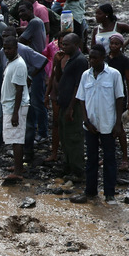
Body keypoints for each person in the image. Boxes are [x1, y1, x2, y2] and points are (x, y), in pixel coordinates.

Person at [75, 44, 125, 201]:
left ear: (103, 58)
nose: (91, 61)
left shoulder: (113, 74)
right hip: (90, 124)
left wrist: (118, 123)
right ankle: (90, 191)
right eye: (90, 57)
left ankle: (109, 193)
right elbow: (81, 99)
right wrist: (86, 121)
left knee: (109, 158)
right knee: (91, 158)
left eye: (95, 58)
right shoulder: (86, 75)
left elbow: (119, 98)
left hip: (108, 123)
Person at [57, 33, 88, 179]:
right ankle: (68, 165)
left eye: (66, 44)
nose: (63, 47)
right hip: (64, 103)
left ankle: (77, 170)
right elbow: (59, 78)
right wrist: (57, 62)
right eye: (63, 44)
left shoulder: (80, 61)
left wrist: (71, 107)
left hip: (73, 106)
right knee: (64, 135)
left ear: (76, 45)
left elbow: (78, 85)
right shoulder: (68, 59)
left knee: (74, 137)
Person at [0, 36, 29, 177]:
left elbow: (19, 90)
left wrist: (15, 113)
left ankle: (18, 171)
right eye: (5, 48)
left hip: (15, 107)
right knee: (14, 137)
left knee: (16, 139)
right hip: (10, 105)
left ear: (16, 48)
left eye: (9, 48)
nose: (6, 51)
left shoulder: (19, 65)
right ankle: (18, 166)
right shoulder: (12, 62)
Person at [105, 33, 129, 171]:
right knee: (105, 125)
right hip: (105, 96)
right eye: (112, 43)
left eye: (117, 44)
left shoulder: (124, 60)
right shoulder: (104, 59)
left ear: (121, 45)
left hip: (119, 96)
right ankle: (107, 155)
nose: (114, 46)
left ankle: (125, 158)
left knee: (119, 126)